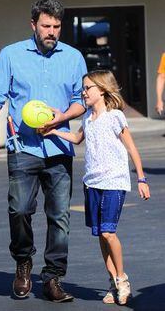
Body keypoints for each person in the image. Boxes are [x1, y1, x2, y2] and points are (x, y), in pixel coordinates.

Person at [0, 0, 87, 302]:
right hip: (22, 148)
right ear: (33, 25)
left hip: (58, 149)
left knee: (60, 217)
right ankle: (23, 263)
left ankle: (53, 278)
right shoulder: (11, 55)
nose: (52, 31)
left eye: (56, 26)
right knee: (20, 210)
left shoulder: (74, 57)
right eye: (46, 26)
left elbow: (82, 100)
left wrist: (62, 118)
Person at [44, 70, 150, 305]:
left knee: (108, 232)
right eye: (83, 88)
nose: (84, 92)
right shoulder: (87, 118)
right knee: (100, 236)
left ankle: (122, 280)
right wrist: (53, 131)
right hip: (92, 183)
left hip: (114, 181)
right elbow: (76, 138)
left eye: (88, 87)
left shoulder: (115, 117)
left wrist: (141, 179)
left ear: (102, 89)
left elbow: (132, 149)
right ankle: (112, 282)